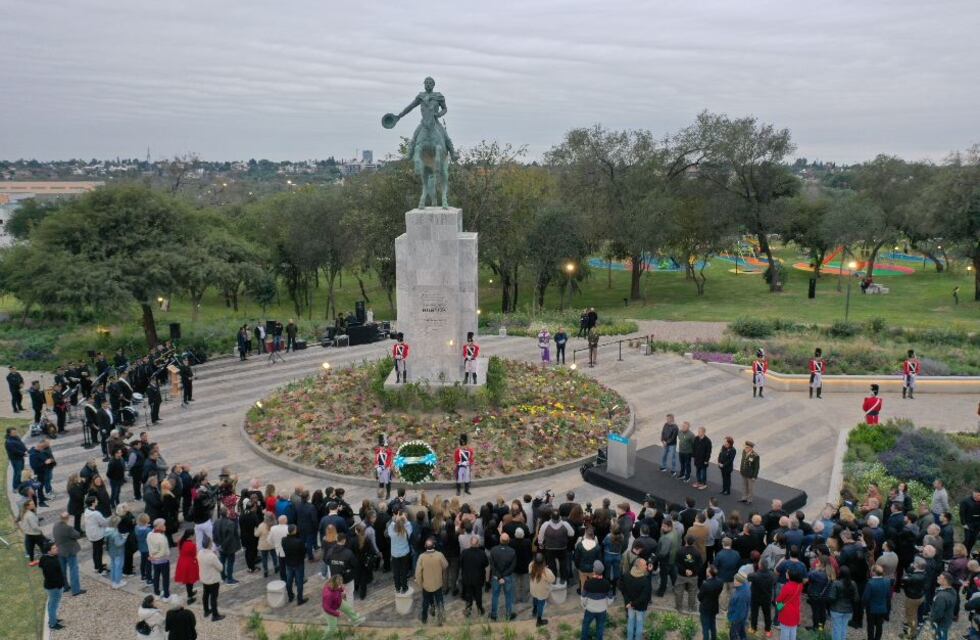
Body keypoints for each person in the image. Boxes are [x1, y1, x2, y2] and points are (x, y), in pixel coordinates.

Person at [415, 537, 448, 625]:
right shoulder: (439, 555)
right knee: (440, 601)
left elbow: (417, 573)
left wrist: (420, 583)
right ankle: (440, 619)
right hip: (437, 583)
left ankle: (424, 618)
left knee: (425, 602)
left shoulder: (421, 557)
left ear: (425, 546)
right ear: (434, 545)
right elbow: (445, 565)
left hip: (426, 585)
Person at [34, 542, 66, 631]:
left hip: (49, 586)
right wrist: (60, 585)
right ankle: (53, 624)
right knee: (54, 605)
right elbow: (52, 577)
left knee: (51, 604)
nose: (57, 549)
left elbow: (40, 564)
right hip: (54, 587)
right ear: (49, 551)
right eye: (54, 548)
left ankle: (53, 619)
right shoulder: (50, 563)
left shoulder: (45, 557)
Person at [52, 512, 85, 596]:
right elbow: (77, 535)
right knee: (73, 569)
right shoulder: (68, 528)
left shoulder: (55, 526)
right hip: (69, 551)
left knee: (62, 570)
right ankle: (76, 590)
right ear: (67, 518)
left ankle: (65, 586)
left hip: (60, 551)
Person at [620, 556, 651, 640]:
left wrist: (628, 602)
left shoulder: (626, 575)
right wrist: (633, 604)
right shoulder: (644, 580)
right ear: (640, 567)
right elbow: (645, 596)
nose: (646, 566)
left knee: (630, 622)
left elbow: (623, 590)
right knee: (639, 625)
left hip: (629, 605)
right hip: (640, 607)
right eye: (644, 565)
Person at [580, 560, 611, 640]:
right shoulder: (606, 583)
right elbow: (610, 598)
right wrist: (606, 604)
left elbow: (583, 597)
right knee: (600, 626)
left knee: (586, 625)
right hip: (602, 609)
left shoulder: (588, 582)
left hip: (590, 609)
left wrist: (584, 605)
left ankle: (584, 638)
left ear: (593, 570)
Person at [490, 533, 517, 621]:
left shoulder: (493, 550)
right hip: (507, 577)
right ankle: (508, 615)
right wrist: (503, 576)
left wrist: (499, 577)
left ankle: (494, 615)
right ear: (508, 541)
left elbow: (492, 565)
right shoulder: (512, 551)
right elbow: (512, 567)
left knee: (495, 595)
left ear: (500, 540)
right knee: (508, 596)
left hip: (496, 577)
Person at [828, 566, 859, 640]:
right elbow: (856, 598)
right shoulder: (853, 583)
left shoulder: (836, 583)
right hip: (848, 610)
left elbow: (831, 597)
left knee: (837, 629)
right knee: (844, 628)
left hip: (836, 609)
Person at [198, 536, 225, 621]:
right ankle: (215, 615)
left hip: (204, 578)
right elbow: (220, 568)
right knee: (213, 597)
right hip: (213, 580)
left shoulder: (200, 553)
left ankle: (206, 611)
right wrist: (216, 556)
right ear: (209, 544)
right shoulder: (212, 556)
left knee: (205, 595)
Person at [282, 524, 308, 605]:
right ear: (294, 531)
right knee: (299, 581)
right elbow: (303, 552)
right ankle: (299, 599)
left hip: (289, 563)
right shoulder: (299, 542)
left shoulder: (283, 540)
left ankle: (290, 596)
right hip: (298, 563)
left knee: (289, 580)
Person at [529, 552, 556, 627]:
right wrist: (546, 568)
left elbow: (531, 570)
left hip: (533, 589)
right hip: (542, 591)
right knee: (540, 605)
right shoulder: (546, 571)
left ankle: (534, 610)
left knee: (535, 599)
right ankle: (539, 620)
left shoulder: (531, 565)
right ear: (543, 561)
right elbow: (552, 580)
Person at [148, 518, 172, 601]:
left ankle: (157, 593)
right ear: (160, 526)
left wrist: (152, 556)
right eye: (163, 525)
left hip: (154, 560)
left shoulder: (150, 535)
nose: (165, 526)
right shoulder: (162, 538)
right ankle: (166, 595)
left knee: (156, 576)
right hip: (163, 560)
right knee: (165, 578)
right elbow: (164, 552)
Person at [174, 529, 199, 604]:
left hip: (182, 562)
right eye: (194, 535)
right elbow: (194, 554)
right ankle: (190, 597)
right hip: (189, 563)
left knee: (188, 581)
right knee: (190, 581)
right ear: (191, 536)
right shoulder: (192, 545)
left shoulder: (180, 541)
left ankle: (190, 592)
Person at [929, 572, 956, 640]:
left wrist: (932, 620)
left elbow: (938, 613)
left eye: (940, 577)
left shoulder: (941, 597)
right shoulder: (952, 590)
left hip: (941, 623)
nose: (937, 577)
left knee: (940, 636)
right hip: (947, 619)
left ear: (945, 581)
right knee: (943, 633)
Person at [728, 572, 751, 640]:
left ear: (739, 582)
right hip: (743, 617)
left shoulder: (740, 595)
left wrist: (731, 618)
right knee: (742, 634)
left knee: (733, 635)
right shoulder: (745, 586)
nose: (734, 581)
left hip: (737, 618)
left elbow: (739, 611)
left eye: (735, 580)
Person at [5, 427, 27, 491]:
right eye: (14, 432)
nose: (15, 433)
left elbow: (21, 444)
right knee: (17, 472)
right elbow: (14, 451)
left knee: (21, 471)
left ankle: (20, 483)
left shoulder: (16, 437)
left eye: (15, 432)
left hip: (20, 457)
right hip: (15, 459)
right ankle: (15, 487)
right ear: (9, 434)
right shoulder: (9, 442)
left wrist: (26, 450)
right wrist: (24, 454)